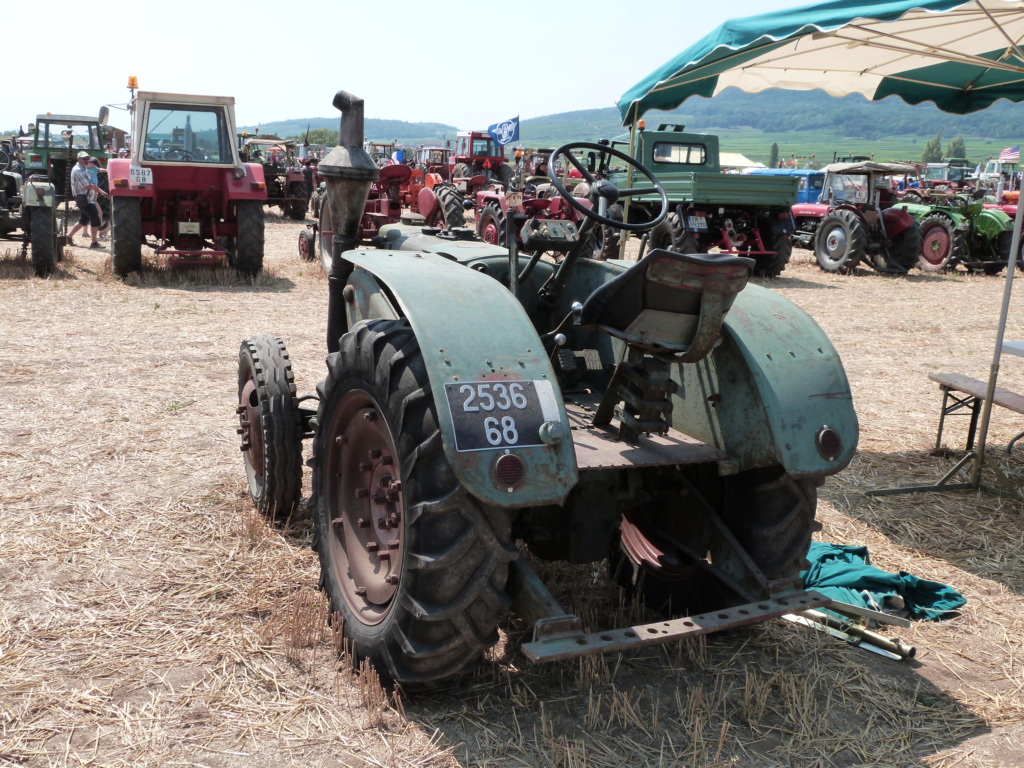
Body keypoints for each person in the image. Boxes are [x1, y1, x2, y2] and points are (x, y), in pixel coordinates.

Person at [67, 152, 101, 248]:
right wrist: (97, 189)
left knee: (84, 220)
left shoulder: (83, 169)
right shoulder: (78, 171)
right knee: (95, 218)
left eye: (87, 158)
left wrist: (97, 189)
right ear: (78, 159)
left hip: (86, 198)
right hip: (84, 199)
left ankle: (68, 237)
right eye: (83, 158)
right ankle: (94, 242)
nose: (86, 160)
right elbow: (87, 186)